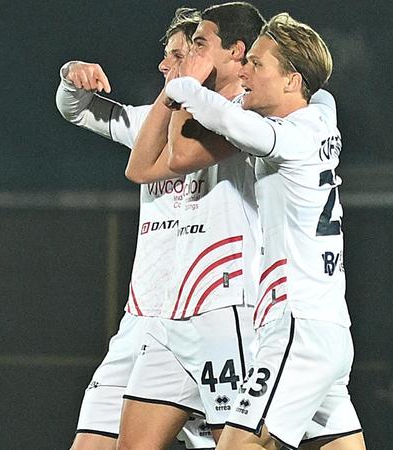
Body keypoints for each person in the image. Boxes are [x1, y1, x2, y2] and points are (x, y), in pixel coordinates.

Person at [164, 12, 367, 450]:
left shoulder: (291, 137)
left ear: (292, 80)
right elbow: (320, 93)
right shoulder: (321, 117)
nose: (244, 72)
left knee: (238, 444)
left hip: (296, 327)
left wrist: (184, 86)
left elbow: (232, 123)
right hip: (329, 328)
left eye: (257, 64)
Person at [55, 8, 216, 450]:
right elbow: (76, 110)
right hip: (141, 326)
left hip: (207, 327)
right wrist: (72, 74)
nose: (164, 65)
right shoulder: (151, 124)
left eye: (177, 55)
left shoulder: (236, 130)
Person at [116, 3, 265, 449]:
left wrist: (186, 88)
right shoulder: (197, 107)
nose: (190, 55)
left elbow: (180, 157)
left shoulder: (248, 112)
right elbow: (139, 168)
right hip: (177, 312)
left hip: (226, 303)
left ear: (236, 52)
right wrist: (175, 93)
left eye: (200, 44)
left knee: (235, 444)